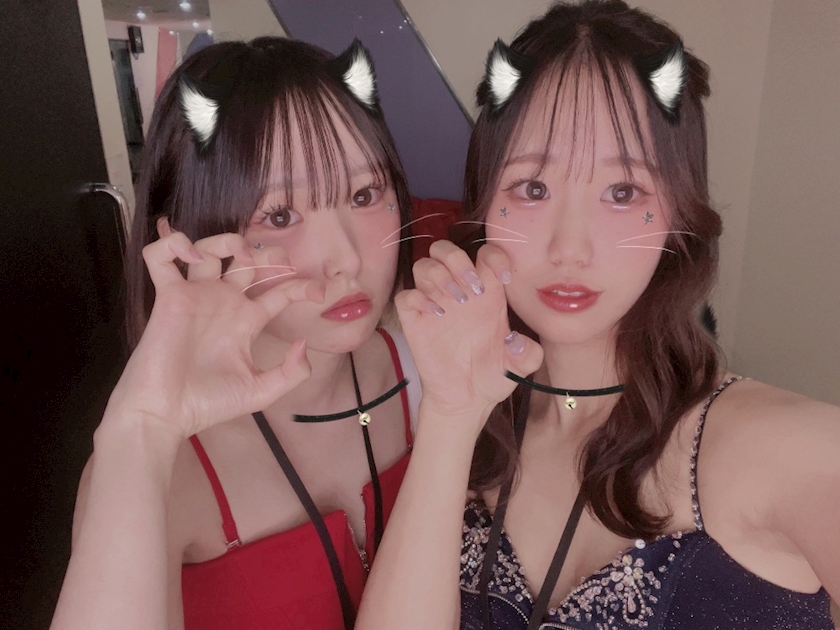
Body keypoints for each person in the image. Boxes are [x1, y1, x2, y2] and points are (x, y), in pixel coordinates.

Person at [357, 2, 840, 628]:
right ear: (484, 206)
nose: (570, 248)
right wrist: (450, 418)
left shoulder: (791, 448)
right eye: (533, 188)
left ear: (677, 215)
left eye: (622, 191)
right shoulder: (471, 434)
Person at [51, 36, 423, 630]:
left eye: (364, 194)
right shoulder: (154, 466)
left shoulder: (427, 371)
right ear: (186, 237)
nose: (346, 260)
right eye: (280, 215)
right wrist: (141, 430)